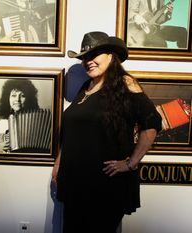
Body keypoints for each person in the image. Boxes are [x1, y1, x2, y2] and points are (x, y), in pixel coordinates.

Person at [52, 31, 162, 232]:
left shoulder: (125, 83)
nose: (88, 61)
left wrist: (130, 163)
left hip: (104, 185)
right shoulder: (86, 86)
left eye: (94, 55)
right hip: (75, 182)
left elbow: (151, 123)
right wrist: (59, 163)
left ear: (111, 56)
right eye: (84, 57)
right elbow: (72, 133)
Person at [0, 79, 39, 153]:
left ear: (29, 99)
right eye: (13, 95)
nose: (17, 100)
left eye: (22, 96)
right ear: (7, 98)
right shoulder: (0, 125)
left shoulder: (38, 123)